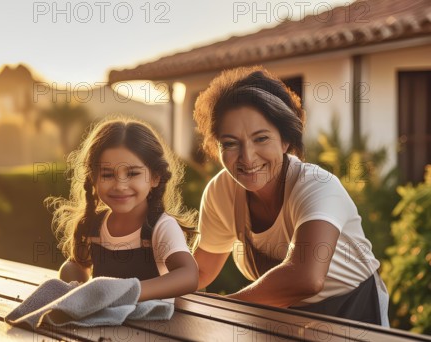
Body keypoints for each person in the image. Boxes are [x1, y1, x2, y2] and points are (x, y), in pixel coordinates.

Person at [192, 66, 389, 326]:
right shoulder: (221, 192)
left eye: (261, 138)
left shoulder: (318, 186)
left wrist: (222, 310)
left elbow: (305, 277)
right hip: (282, 317)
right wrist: (145, 291)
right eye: (230, 143)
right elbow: (201, 270)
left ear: (285, 140)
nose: (247, 158)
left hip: (352, 314)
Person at [46, 117, 199, 301]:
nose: (120, 185)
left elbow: (189, 276)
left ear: (155, 177)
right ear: (93, 179)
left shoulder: (161, 227)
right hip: (104, 323)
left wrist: (126, 292)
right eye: (108, 174)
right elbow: (76, 267)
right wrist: (75, 288)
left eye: (133, 173)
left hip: (155, 325)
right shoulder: (93, 225)